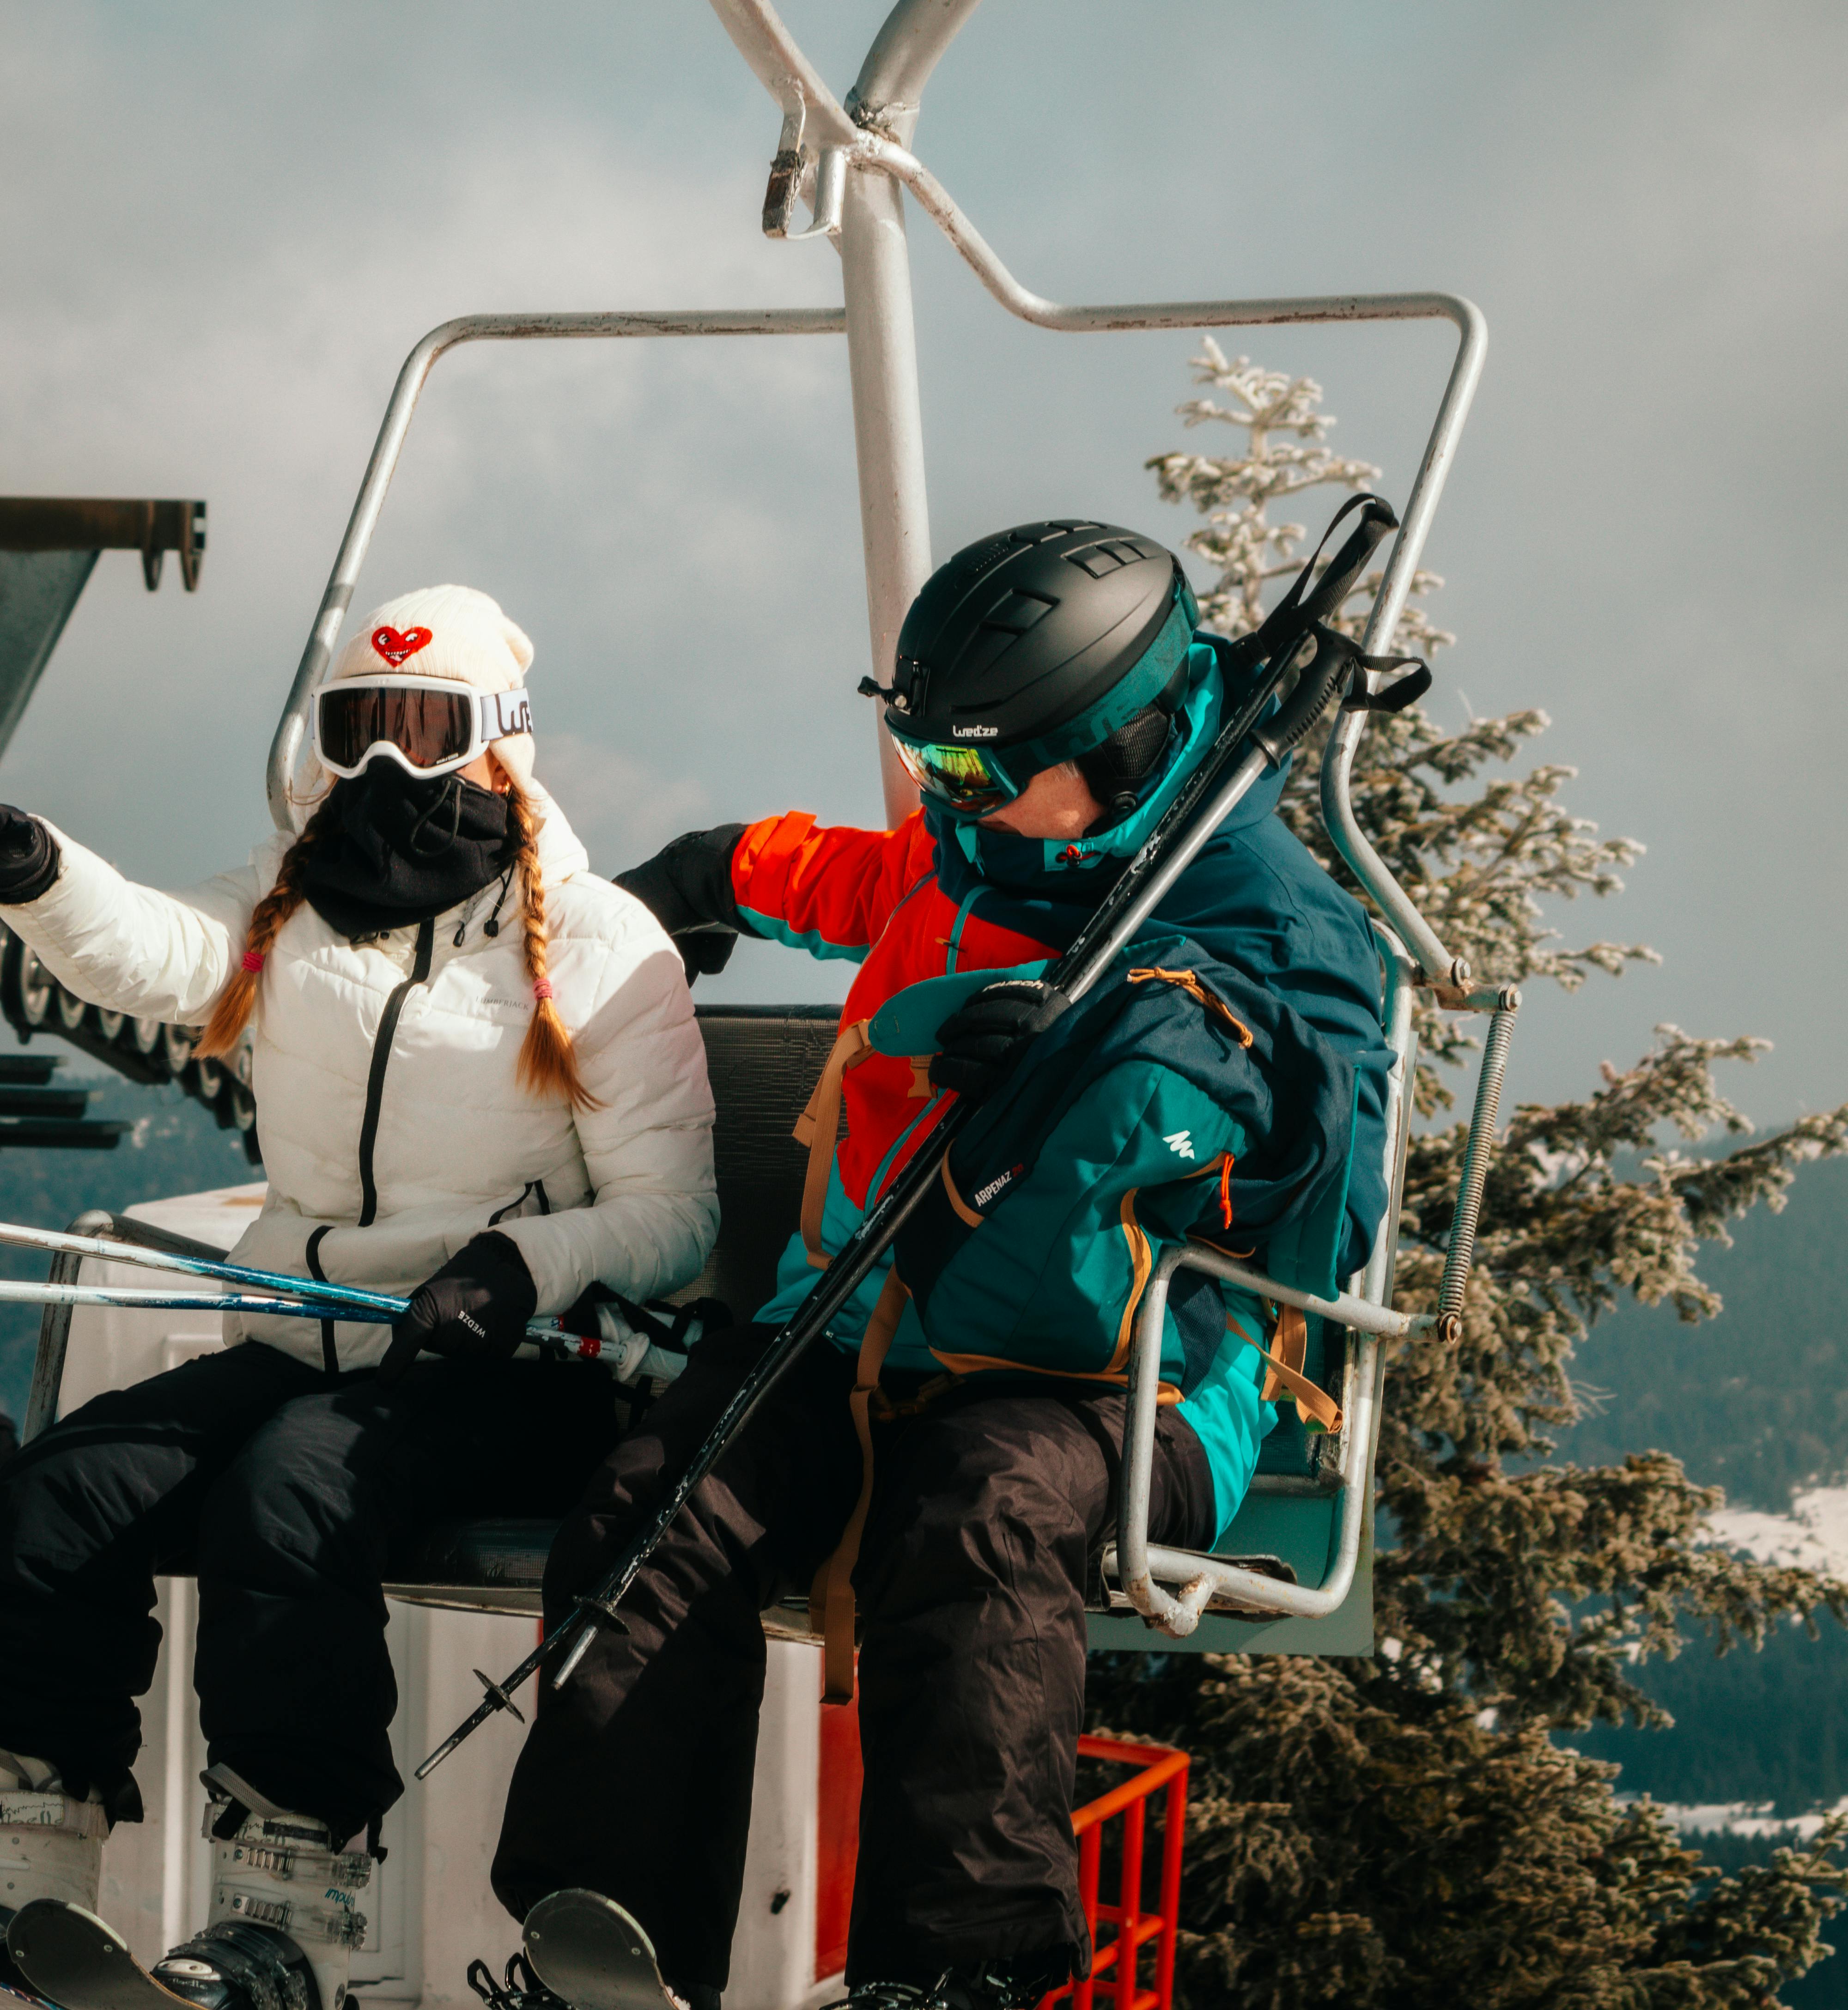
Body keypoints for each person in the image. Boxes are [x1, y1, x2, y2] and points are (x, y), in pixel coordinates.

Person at [487, 521, 1393, 2010]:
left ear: (1124, 744)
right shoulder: (968, 853)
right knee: (662, 1506)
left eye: (977, 772)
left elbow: (1320, 1204)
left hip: (1128, 1388)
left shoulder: (1278, 923)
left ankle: (959, 1978)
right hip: (850, 1338)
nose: (945, 802)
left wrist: (1112, 1057)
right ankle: (607, 1942)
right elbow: (827, 875)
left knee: (972, 1517)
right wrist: (690, 884)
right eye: (928, 764)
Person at [0, 586, 716, 2010]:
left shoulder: (589, 938)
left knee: (291, 1489)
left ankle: (291, 1908)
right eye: (359, 729)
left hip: (515, 1366)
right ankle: (35, 1860)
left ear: (497, 743)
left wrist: (520, 1267)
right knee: (65, 1489)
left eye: (427, 730)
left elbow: (675, 1218)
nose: (389, 770)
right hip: (305, 1336)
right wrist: (30, 869)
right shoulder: (293, 906)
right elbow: (148, 951)